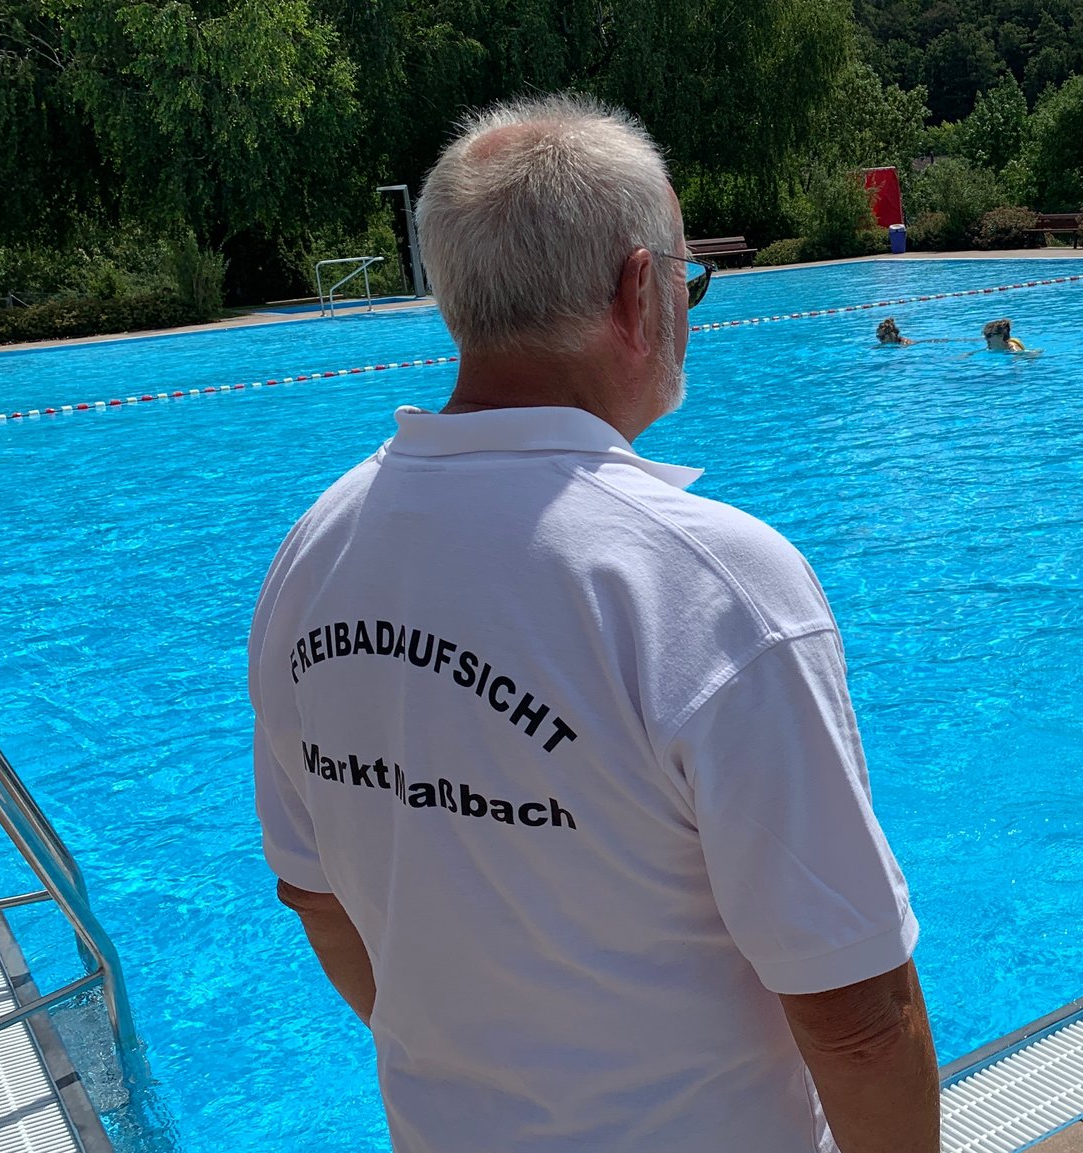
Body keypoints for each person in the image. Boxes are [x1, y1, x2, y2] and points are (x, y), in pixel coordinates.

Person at [249, 96, 937, 1153]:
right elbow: (854, 1013)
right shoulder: (711, 581)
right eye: (685, 281)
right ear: (637, 290)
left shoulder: (314, 551)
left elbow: (313, 892)